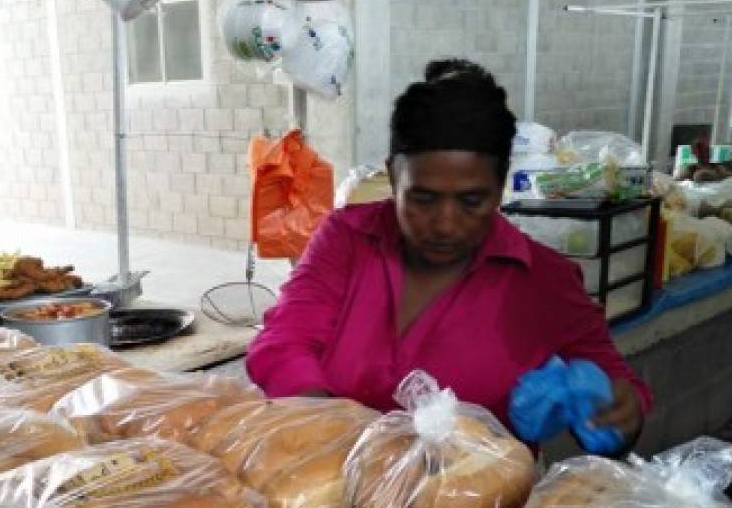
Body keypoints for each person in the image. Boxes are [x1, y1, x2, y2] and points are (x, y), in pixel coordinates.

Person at [247, 58, 650, 448]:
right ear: (392, 175)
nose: (445, 224)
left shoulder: (543, 280)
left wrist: (614, 412)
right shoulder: (348, 239)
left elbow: (620, 402)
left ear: (500, 185)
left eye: (472, 201)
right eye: (422, 199)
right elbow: (283, 343)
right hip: (330, 497)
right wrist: (335, 440)